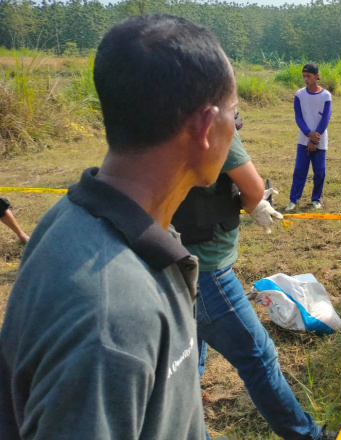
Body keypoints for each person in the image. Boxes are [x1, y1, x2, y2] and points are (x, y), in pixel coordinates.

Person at [0, 14, 236, 439]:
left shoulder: (74, 218)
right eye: (235, 118)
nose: (234, 132)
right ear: (204, 128)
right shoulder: (113, 316)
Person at [172, 127, 337, 440]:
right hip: (208, 270)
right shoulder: (213, 123)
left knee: (188, 361)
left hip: (175, 258)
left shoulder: (161, 120)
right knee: (258, 357)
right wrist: (255, 200)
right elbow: (252, 186)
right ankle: (307, 436)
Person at [286, 63, 332, 212]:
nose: (306, 79)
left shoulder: (326, 95)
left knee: (319, 171)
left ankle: (316, 199)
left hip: (320, 140)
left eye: (309, 76)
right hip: (303, 139)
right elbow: (298, 117)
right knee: (300, 170)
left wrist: (314, 140)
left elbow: (325, 118)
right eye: (304, 76)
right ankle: (294, 199)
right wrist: (308, 135)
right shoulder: (299, 94)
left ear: (317, 76)